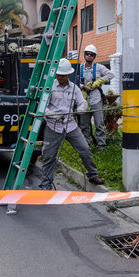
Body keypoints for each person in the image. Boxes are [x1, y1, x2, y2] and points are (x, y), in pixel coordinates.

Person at [39, 58, 105, 190]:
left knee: (85, 149)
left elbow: (82, 102)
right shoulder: (49, 87)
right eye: (58, 75)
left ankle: (92, 175)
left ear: (68, 74)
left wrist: (82, 108)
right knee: (49, 156)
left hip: (70, 126)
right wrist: (50, 113)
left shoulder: (74, 88)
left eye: (63, 75)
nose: (60, 77)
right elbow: (42, 106)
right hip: (53, 126)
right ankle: (46, 185)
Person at [78, 44, 114, 149]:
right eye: (87, 54)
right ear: (84, 55)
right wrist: (82, 86)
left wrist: (98, 82)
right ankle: (86, 146)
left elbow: (111, 75)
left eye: (91, 54)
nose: (89, 56)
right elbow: (73, 81)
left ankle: (101, 146)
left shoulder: (99, 67)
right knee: (84, 125)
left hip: (96, 100)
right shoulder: (80, 68)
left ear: (94, 57)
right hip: (84, 100)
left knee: (99, 124)